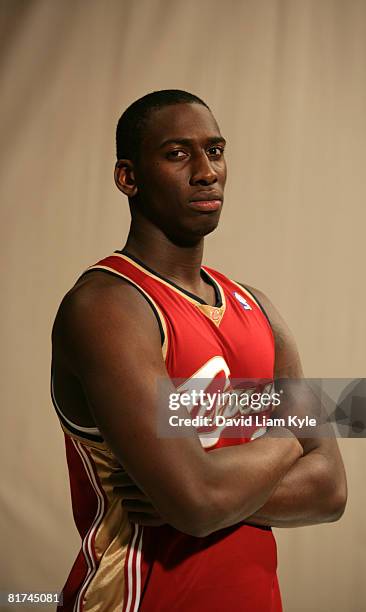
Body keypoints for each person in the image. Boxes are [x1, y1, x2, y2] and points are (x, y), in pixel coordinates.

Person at [51, 89, 347, 612]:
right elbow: (196, 501)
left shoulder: (257, 306)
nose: (206, 171)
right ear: (128, 177)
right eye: (177, 153)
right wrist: (291, 442)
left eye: (215, 150)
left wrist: (213, 484)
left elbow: (330, 490)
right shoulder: (108, 308)